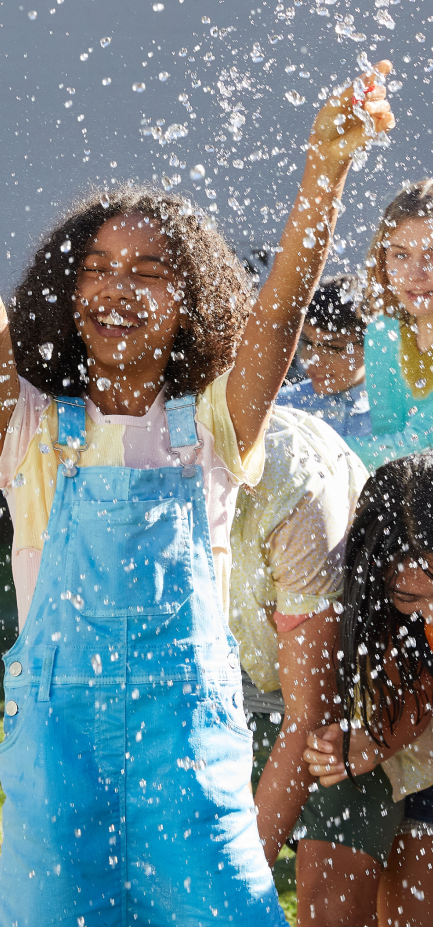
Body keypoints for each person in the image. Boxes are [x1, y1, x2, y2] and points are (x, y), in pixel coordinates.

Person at [0, 29, 394, 924]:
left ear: (192, 300)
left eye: (148, 271)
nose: (116, 285)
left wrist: (325, 170)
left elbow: (278, 309)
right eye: (96, 269)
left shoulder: (211, 432)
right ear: (64, 294)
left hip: (192, 776)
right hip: (58, 776)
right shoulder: (32, 433)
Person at [229, 406, 368, 867]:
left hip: (352, 707)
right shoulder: (126, 455)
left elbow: (312, 713)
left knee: (330, 905)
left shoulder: (292, 484)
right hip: (235, 688)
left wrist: (235, 886)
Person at [303, 453, 433, 927]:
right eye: (410, 599)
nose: (429, 614)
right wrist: (374, 741)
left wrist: (381, 742)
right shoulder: (374, 604)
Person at [345, 180, 433, 470]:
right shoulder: (383, 333)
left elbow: (418, 442)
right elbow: (387, 443)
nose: (416, 273)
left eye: (431, 255)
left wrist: (319, 449)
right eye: (401, 254)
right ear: (383, 260)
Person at [277, 275, 371, 437]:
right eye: (307, 343)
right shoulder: (281, 406)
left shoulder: (391, 411)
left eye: (334, 347)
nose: (314, 359)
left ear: (371, 344)